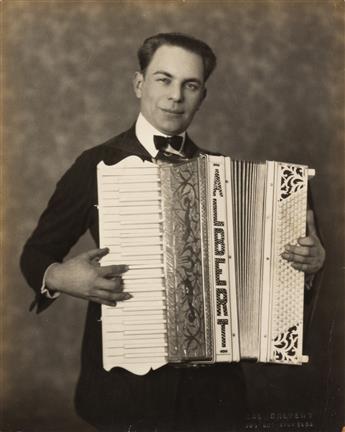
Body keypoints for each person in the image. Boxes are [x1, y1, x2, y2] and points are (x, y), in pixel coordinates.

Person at [20, 33, 325, 432]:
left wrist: (309, 265)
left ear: (202, 96)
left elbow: (267, 282)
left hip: (214, 391)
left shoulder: (230, 179)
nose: (175, 95)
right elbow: (36, 254)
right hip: (126, 389)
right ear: (139, 84)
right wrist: (59, 276)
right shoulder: (95, 165)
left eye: (190, 85)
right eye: (163, 79)